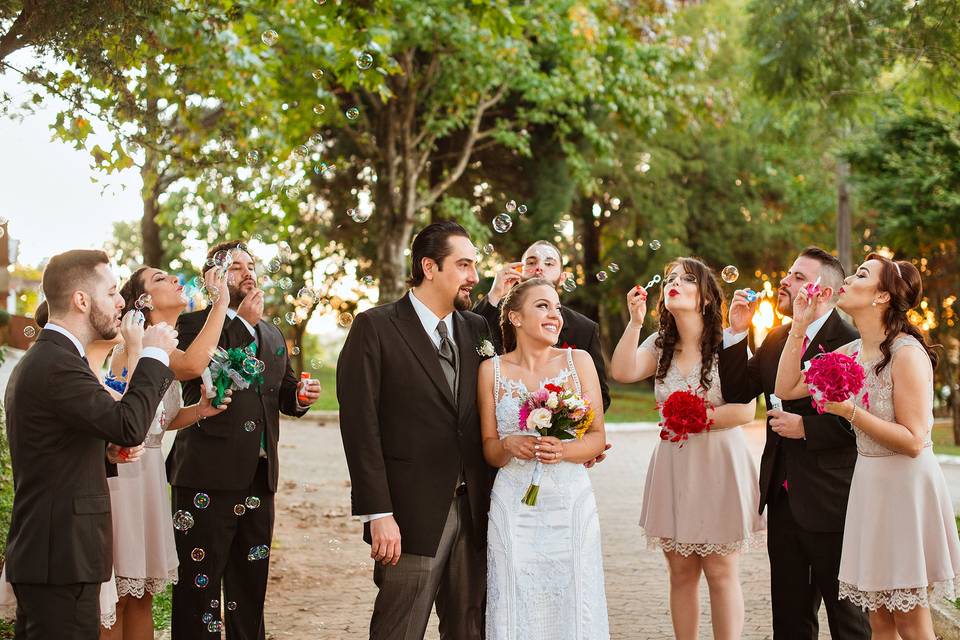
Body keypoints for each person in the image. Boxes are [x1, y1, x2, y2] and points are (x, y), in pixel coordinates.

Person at [775, 253, 960, 639]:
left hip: (905, 490)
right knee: (878, 618)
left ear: (881, 298)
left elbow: (914, 441)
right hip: (869, 487)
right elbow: (786, 388)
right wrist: (799, 325)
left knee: (910, 618)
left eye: (861, 274)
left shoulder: (906, 354)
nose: (850, 278)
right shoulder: (851, 353)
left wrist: (849, 413)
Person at [3, 249, 177, 639]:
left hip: (58, 557)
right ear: (81, 300)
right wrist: (153, 354)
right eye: (113, 292)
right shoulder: (57, 363)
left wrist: (103, 453)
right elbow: (129, 424)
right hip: (60, 558)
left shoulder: (56, 359)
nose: (121, 302)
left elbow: (58, 448)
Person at [337, 221, 493, 639]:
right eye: (463, 265)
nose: (474, 276)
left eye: (474, 265)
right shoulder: (375, 327)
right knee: (399, 630)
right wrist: (379, 513)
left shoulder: (476, 329)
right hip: (408, 517)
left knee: (469, 629)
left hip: (474, 513)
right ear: (429, 266)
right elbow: (360, 429)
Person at [167, 241, 320, 639]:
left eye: (250, 265)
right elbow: (202, 383)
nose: (247, 272)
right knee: (198, 590)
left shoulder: (271, 333)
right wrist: (238, 324)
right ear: (212, 279)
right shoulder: (191, 326)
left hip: (258, 477)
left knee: (249, 589)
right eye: (235, 267)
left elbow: (281, 394)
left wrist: (299, 397)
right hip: (206, 477)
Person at [719, 247, 870, 638]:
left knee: (847, 618)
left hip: (831, 500)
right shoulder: (777, 337)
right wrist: (737, 331)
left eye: (799, 277)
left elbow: (866, 423)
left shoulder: (852, 342)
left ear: (827, 291)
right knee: (789, 615)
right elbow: (738, 391)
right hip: (782, 497)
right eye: (789, 274)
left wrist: (807, 428)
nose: (785, 282)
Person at [610, 257, 763, 640]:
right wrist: (633, 321)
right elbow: (623, 371)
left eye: (687, 279)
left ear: (707, 298)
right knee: (681, 572)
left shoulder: (728, 343)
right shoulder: (661, 344)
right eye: (671, 279)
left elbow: (746, 410)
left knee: (720, 571)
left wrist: (694, 418)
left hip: (719, 464)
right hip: (676, 464)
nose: (674, 283)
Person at [98, 265, 233, 639]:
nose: (175, 280)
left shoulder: (164, 345)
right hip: (124, 477)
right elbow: (192, 365)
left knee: (141, 596)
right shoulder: (137, 345)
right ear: (143, 303)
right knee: (119, 600)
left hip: (150, 474)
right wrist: (220, 301)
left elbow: (160, 420)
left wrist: (199, 411)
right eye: (160, 279)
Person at [478, 277, 608, 638]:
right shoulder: (491, 371)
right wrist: (507, 446)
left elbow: (597, 438)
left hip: (568, 502)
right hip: (514, 504)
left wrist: (563, 449)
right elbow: (489, 447)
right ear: (516, 318)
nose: (555, 315)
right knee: (516, 599)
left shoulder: (578, 361)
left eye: (557, 307)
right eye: (542, 306)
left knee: (574, 599)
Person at [474, 240, 611, 412]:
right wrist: (495, 293)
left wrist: (560, 421)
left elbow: (601, 396)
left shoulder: (584, 329)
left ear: (562, 277)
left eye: (549, 263)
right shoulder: (496, 315)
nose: (539, 268)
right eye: (531, 262)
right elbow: (470, 340)